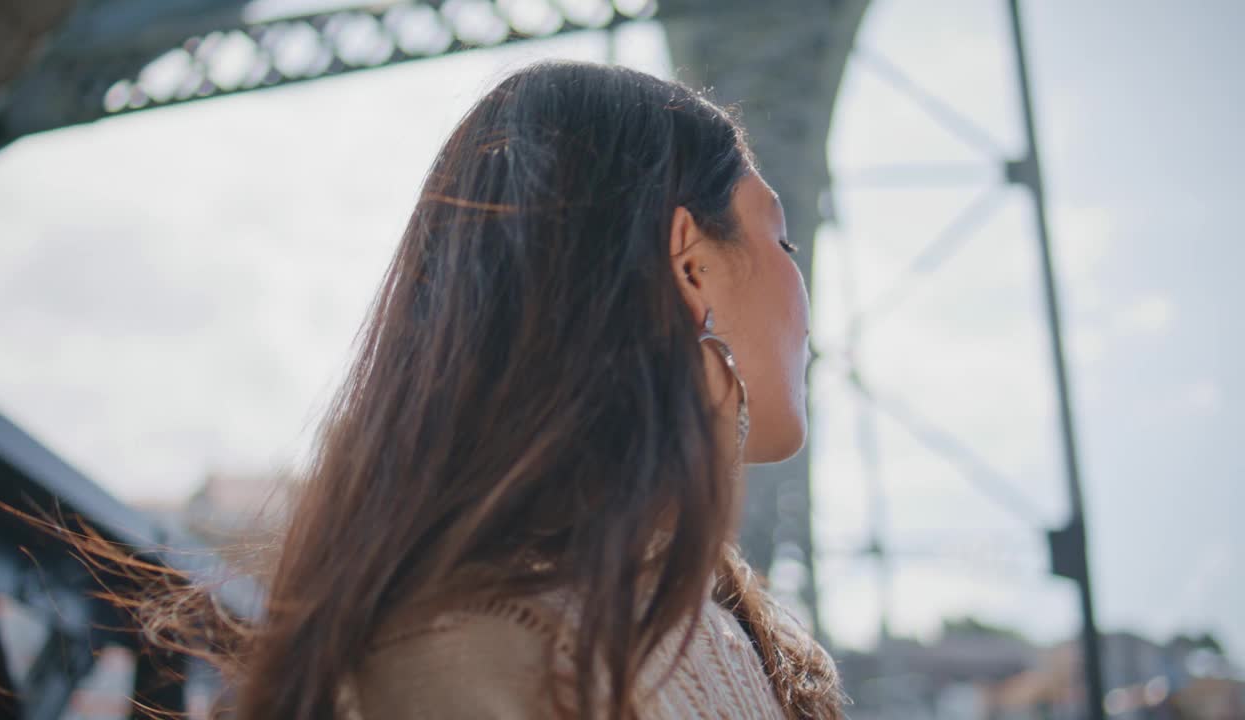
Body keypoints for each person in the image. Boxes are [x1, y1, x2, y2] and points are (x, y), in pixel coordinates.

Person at [228, 60, 843, 719]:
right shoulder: (484, 656)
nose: (807, 302)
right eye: (786, 242)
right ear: (690, 267)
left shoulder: (717, 629)